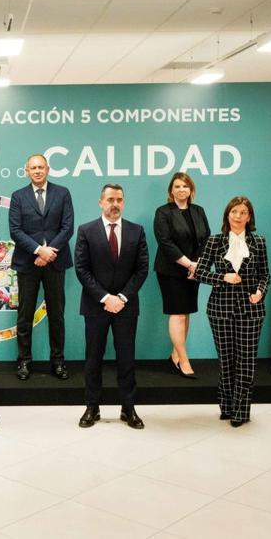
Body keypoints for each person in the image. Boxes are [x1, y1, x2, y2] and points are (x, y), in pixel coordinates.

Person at [74, 184, 149, 430]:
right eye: (109, 199)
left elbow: (141, 269)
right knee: (93, 359)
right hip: (96, 306)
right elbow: (82, 269)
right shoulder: (86, 230)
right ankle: (91, 407)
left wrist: (123, 298)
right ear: (100, 202)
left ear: (123, 203)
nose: (114, 204)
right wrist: (106, 298)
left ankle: (128, 408)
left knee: (126, 359)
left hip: (126, 307)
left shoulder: (137, 232)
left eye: (119, 199)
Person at [194, 196, 269, 427]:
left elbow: (265, 275)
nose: (238, 216)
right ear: (227, 215)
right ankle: (226, 406)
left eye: (243, 212)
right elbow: (199, 273)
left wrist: (260, 292)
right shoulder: (215, 241)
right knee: (227, 361)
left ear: (249, 217)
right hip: (220, 309)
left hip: (251, 309)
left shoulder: (259, 242)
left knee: (246, 361)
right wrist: (222, 277)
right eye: (234, 212)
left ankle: (241, 410)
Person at [8, 154, 74, 381]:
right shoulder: (18, 196)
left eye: (41, 167)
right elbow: (15, 230)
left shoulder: (62, 193)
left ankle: (58, 361)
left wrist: (48, 253)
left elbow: (67, 227)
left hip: (55, 262)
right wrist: (38, 251)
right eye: (33, 167)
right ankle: (24, 361)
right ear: (26, 170)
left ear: (48, 169)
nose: (37, 171)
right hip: (28, 263)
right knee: (25, 315)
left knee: (57, 314)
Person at [153, 172, 211, 378]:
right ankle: (184, 360)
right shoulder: (163, 212)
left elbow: (207, 239)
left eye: (185, 186)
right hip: (171, 271)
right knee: (177, 313)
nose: (181, 190)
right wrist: (190, 264)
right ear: (171, 190)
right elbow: (165, 242)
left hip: (193, 271)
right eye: (177, 186)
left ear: (191, 190)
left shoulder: (198, 210)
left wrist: (198, 266)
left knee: (186, 314)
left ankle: (175, 354)